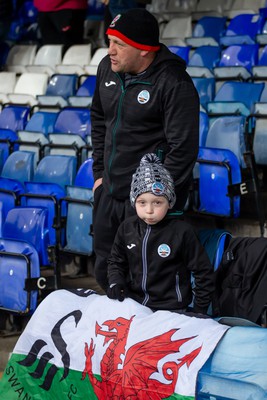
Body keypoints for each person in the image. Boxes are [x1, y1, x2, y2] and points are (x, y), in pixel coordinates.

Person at [92, 8, 199, 291]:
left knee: (146, 281)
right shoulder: (107, 68)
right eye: (110, 41)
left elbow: (183, 149)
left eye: (120, 45)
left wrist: (153, 198)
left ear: (144, 50)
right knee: (106, 270)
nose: (110, 51)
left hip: (146, 204)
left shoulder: (174, 82)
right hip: (110, 193)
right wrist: (99, 175)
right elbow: (98, 120)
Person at [107, 153, 215, 314]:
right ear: (133, 201)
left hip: (173, 310)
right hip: (135, 306)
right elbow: (116, 261)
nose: (149, 210)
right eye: (142, 202)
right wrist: (116, 282)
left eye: (157, 202)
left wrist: (199, 310)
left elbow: (203, 272)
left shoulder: (182, 232)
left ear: (169, 202)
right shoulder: (127, 228)